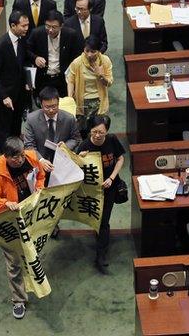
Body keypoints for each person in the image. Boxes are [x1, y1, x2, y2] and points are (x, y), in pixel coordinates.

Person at [0, 137, 45, 319]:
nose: (19, 160)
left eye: (20, 155)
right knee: (13, 263)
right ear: (6, 156)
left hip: (29, 214)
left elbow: (41, 175)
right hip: (9, 220)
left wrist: (39, 188)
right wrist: (6, 203)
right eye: (14, 158)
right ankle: (18, 299)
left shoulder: (31, 156)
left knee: (31, 252)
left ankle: (32, 281)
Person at [77, 115, 125, 274]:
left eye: (101, 133)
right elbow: (75, 168)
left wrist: (112, 178)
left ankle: (101, 255)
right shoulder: (85, 145)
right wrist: (79, 159)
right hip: (92, 191)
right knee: (96, 219)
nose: (97, 136)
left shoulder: (112, 140)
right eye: (94, 132)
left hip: (109, 188)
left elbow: (120, 159)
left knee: (104, 221)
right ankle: (99, 238)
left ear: (107, 132)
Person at [0, 11, 29, 150]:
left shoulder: (22, 39)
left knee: (16, 123)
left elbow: (22, 61)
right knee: (4, 128)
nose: (26, 28)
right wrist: (4, 96)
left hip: (19, 93)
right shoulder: (0, 45)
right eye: (23, 26)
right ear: (13, 25)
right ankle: (5, 155)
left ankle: (17, 150)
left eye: (27, 25)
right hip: (5, 95)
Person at [27, 10, 84, 98]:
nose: (50, 30)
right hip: (43, 78)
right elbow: (27, 50)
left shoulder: (71, 35)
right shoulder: (37, 33)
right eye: (47, 26)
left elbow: (77, 56)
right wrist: (35, 58)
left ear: (61, 26)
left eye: (54, 27)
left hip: (62, 78)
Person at [24, 86, 82, 174]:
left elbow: (76, 139)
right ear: (41, 104)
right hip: (40, 162)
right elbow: (29, 145)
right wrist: (41, 160)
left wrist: (65, 147)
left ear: (58, 103)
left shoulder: (69, 118)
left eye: (54, 106)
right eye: (47, 107)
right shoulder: (32, 119)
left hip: (63, 162)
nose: (51, 110)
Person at [67, 35, 113, 136]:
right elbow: (70, 80)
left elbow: (109, 83)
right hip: (83, 101)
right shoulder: (77, 62)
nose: (89, 54)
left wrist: (101, 76)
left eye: (93, 51)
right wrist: (70, 97)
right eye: (87, 50)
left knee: (97, 129)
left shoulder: (105, 61)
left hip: (99, 100)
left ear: (98, 51)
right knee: (83, 129)